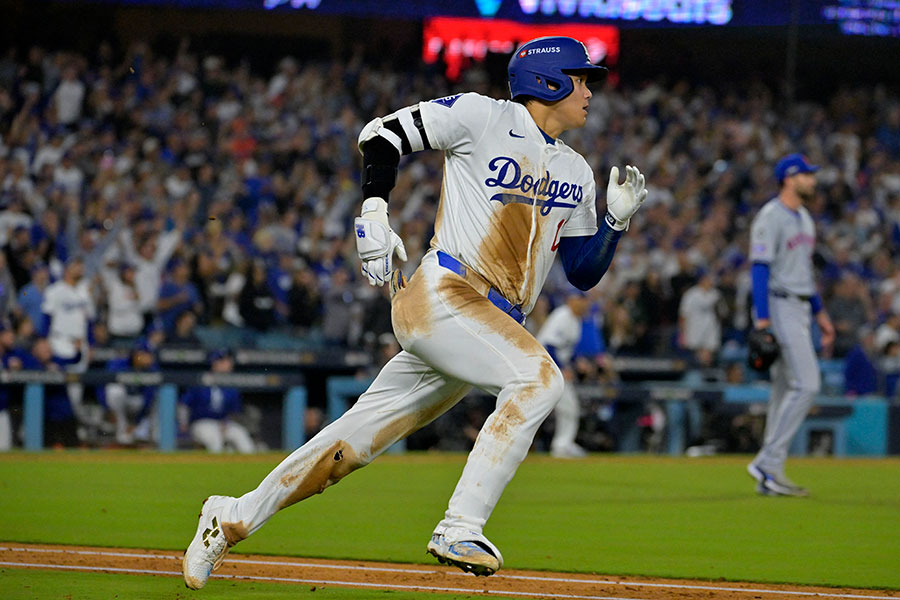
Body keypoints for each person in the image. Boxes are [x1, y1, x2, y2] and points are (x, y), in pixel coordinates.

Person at [182, 36, 647, 589]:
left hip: (488, 327)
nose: (591, 89)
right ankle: (460, 525)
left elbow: (582, 272)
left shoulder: (577, 170)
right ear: (548, 81)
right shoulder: (482, 116)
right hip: (446, 295)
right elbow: (381, 134)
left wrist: (614, 225)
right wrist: (375, 207)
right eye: (583, 77)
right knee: (540, 379)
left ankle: (231, 516)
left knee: (347, 448)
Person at [746, 153, 835, 497]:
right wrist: (763, 319)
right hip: (780, 305)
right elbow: (759, 268)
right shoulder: (771, 216)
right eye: (806, 175)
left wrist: (821, 315)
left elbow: (805, 274)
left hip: (800, 306)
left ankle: (771, 475)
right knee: (808, 384)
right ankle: (768, 461)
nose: (812, 180)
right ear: (789, 178)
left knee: (784, 390)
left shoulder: (805, 218)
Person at [537, 292, 591, 458]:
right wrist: (562, 368)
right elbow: (549, 345)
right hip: (543, 365)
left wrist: (577, 362)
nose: (584, 305)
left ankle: (563, 444)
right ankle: (562, 445)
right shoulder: (562, 316)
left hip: (555, 367)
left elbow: (566, 349)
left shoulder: (575, 320)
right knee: (567, 406)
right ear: (572, 301)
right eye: (581, 301)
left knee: (569, 407)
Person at [179, 349, 255, 454]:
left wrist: (226, 422)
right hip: (201, 423)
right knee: (215, 439)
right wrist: (183, 424)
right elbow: (184, 405)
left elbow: (235, 412)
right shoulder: (200, 381)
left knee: (241, 435)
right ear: (214, 363)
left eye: (228, 361)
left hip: (223, 423)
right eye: (223, 361)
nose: (228, 364)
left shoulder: (232, 386)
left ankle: (250, 467)